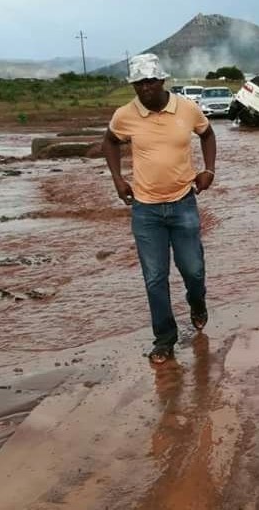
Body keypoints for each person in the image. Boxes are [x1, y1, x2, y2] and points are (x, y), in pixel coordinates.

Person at [102, 53, 217, 365]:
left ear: (162, 80)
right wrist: (117, 179)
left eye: (150, 81)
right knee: (154, 277)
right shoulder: (125, 115)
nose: (145, 88)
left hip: (183, 204)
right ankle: (165, 339)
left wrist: (209, 170)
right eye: (139, 83)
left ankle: (197, 303)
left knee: (192, 269)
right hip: (145, 210)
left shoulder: (187, 108)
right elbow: (110, 142)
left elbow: (207, 133)